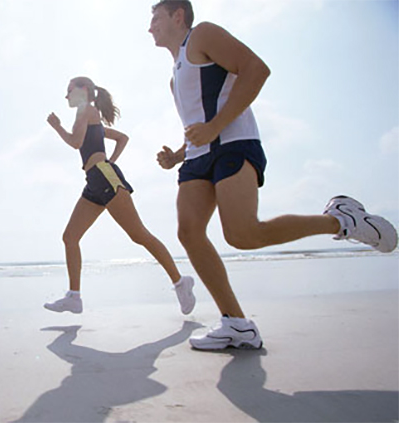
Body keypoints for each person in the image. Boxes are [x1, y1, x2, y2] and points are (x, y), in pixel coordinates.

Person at [148, 0, 398, 350]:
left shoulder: (202, 35)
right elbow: (197, 123)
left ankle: (342, 220)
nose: (150, 27)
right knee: (189, 233)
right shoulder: (173, 77)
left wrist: (215, 127)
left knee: (243, 234)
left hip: (233, 144)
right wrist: (176, 155)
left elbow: (256, 69)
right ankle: (236, 323)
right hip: (197, 158)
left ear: (178, 16)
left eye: (155, 18)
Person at [44, 76, 195, 315]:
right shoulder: (91, 115)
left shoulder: (85, 110)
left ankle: (180, 282)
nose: (66, 96)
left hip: (104, 177)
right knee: (70, 236)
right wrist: (109, 162)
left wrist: (57, 126)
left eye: (69, 90)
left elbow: (75, 142)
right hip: (95, 180)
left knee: (139, 234)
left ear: (83, 90)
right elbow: (122, 138)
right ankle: (74, 297)